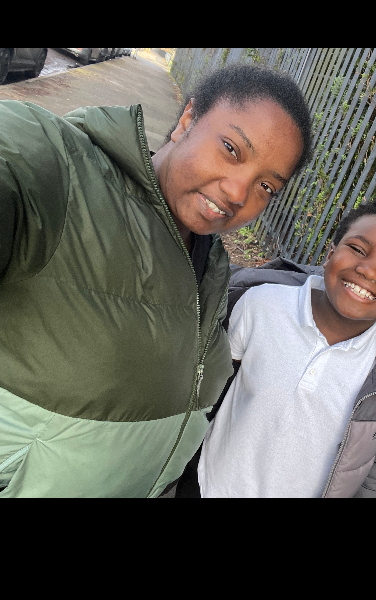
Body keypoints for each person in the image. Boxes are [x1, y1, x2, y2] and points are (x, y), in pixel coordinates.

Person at [0, 64, 312, 498]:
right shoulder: (58, 168)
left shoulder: (212, 267)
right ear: (187, 120)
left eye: (266, 186)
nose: (239, 193)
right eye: (231, 149)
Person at [175, 198, 376, 498]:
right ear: (330, 254)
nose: (371, 272)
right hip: (205, 486)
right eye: (358, 249)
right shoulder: (260, 305)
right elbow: (203, 395)